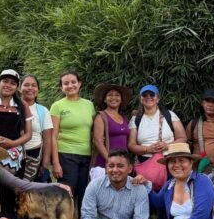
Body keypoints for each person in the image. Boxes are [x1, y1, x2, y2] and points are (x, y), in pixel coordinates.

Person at [50, 70, 95, 211]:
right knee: (67, 193)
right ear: (61, 87)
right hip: (66, 155)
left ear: (79, 84)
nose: (70, 86)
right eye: (66, 83)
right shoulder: (57, 106)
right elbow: (53, 136)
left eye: (73, 82)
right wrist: (56, 163)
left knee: (84, 193)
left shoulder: (89, 105)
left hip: (86, 155)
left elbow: (93, 131)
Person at [127, 84, 187, 164]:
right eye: (145, 95)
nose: (148, 97)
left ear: (157, 99)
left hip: (169, 160)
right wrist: (147, 149)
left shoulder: (169, 115)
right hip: (145, 162)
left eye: (152, 95)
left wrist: (167, 145)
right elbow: (131, 145)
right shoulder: (136, 119)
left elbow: (182, 138)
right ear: (141, 99)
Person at [20, 74, 53, 181]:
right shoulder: (12, 106)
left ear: (38, 90)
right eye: (26, 85)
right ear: (20, 88)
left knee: (31, 189)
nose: (30, 88)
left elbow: (47, 139)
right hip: (13, 156)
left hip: (34, 157)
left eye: (34, 85)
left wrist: (45, 163)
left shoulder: (43, 110)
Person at [91, 83, 132, 169]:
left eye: (117, 95)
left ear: (121, 99)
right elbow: (97, 141)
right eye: (110, 95)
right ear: (105, 100)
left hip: (121, 163)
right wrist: (110, 161)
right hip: (105, 164)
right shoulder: (101, 116)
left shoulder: (124, 118)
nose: (113, 98)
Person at [186, 88, 214, 172]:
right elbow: (186, 147)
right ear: (202, 103)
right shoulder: (193, 124)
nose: (210, 105)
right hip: (198, 169)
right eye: (207, 101)